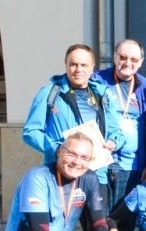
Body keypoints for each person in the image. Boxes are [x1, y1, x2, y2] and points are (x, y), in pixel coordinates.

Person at [23, 43, 124, 176]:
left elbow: (117, 132)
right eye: (73, 64)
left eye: (84, 65)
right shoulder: (50, 93)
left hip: (96, 173)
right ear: (66, 65)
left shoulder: (102, 94)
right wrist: (58, 149)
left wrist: (113, 142)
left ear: (92, 67)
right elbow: (30, 132)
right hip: (62, 172)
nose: (78, 69)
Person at [94, 38, 146, 201]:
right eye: (123, 57)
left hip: (132, 166)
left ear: (141, 62)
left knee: (125, 220)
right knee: (101, 221)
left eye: (134, 60)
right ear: (114, 57)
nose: (127, 63)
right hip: (101, 164)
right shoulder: (96, 80)